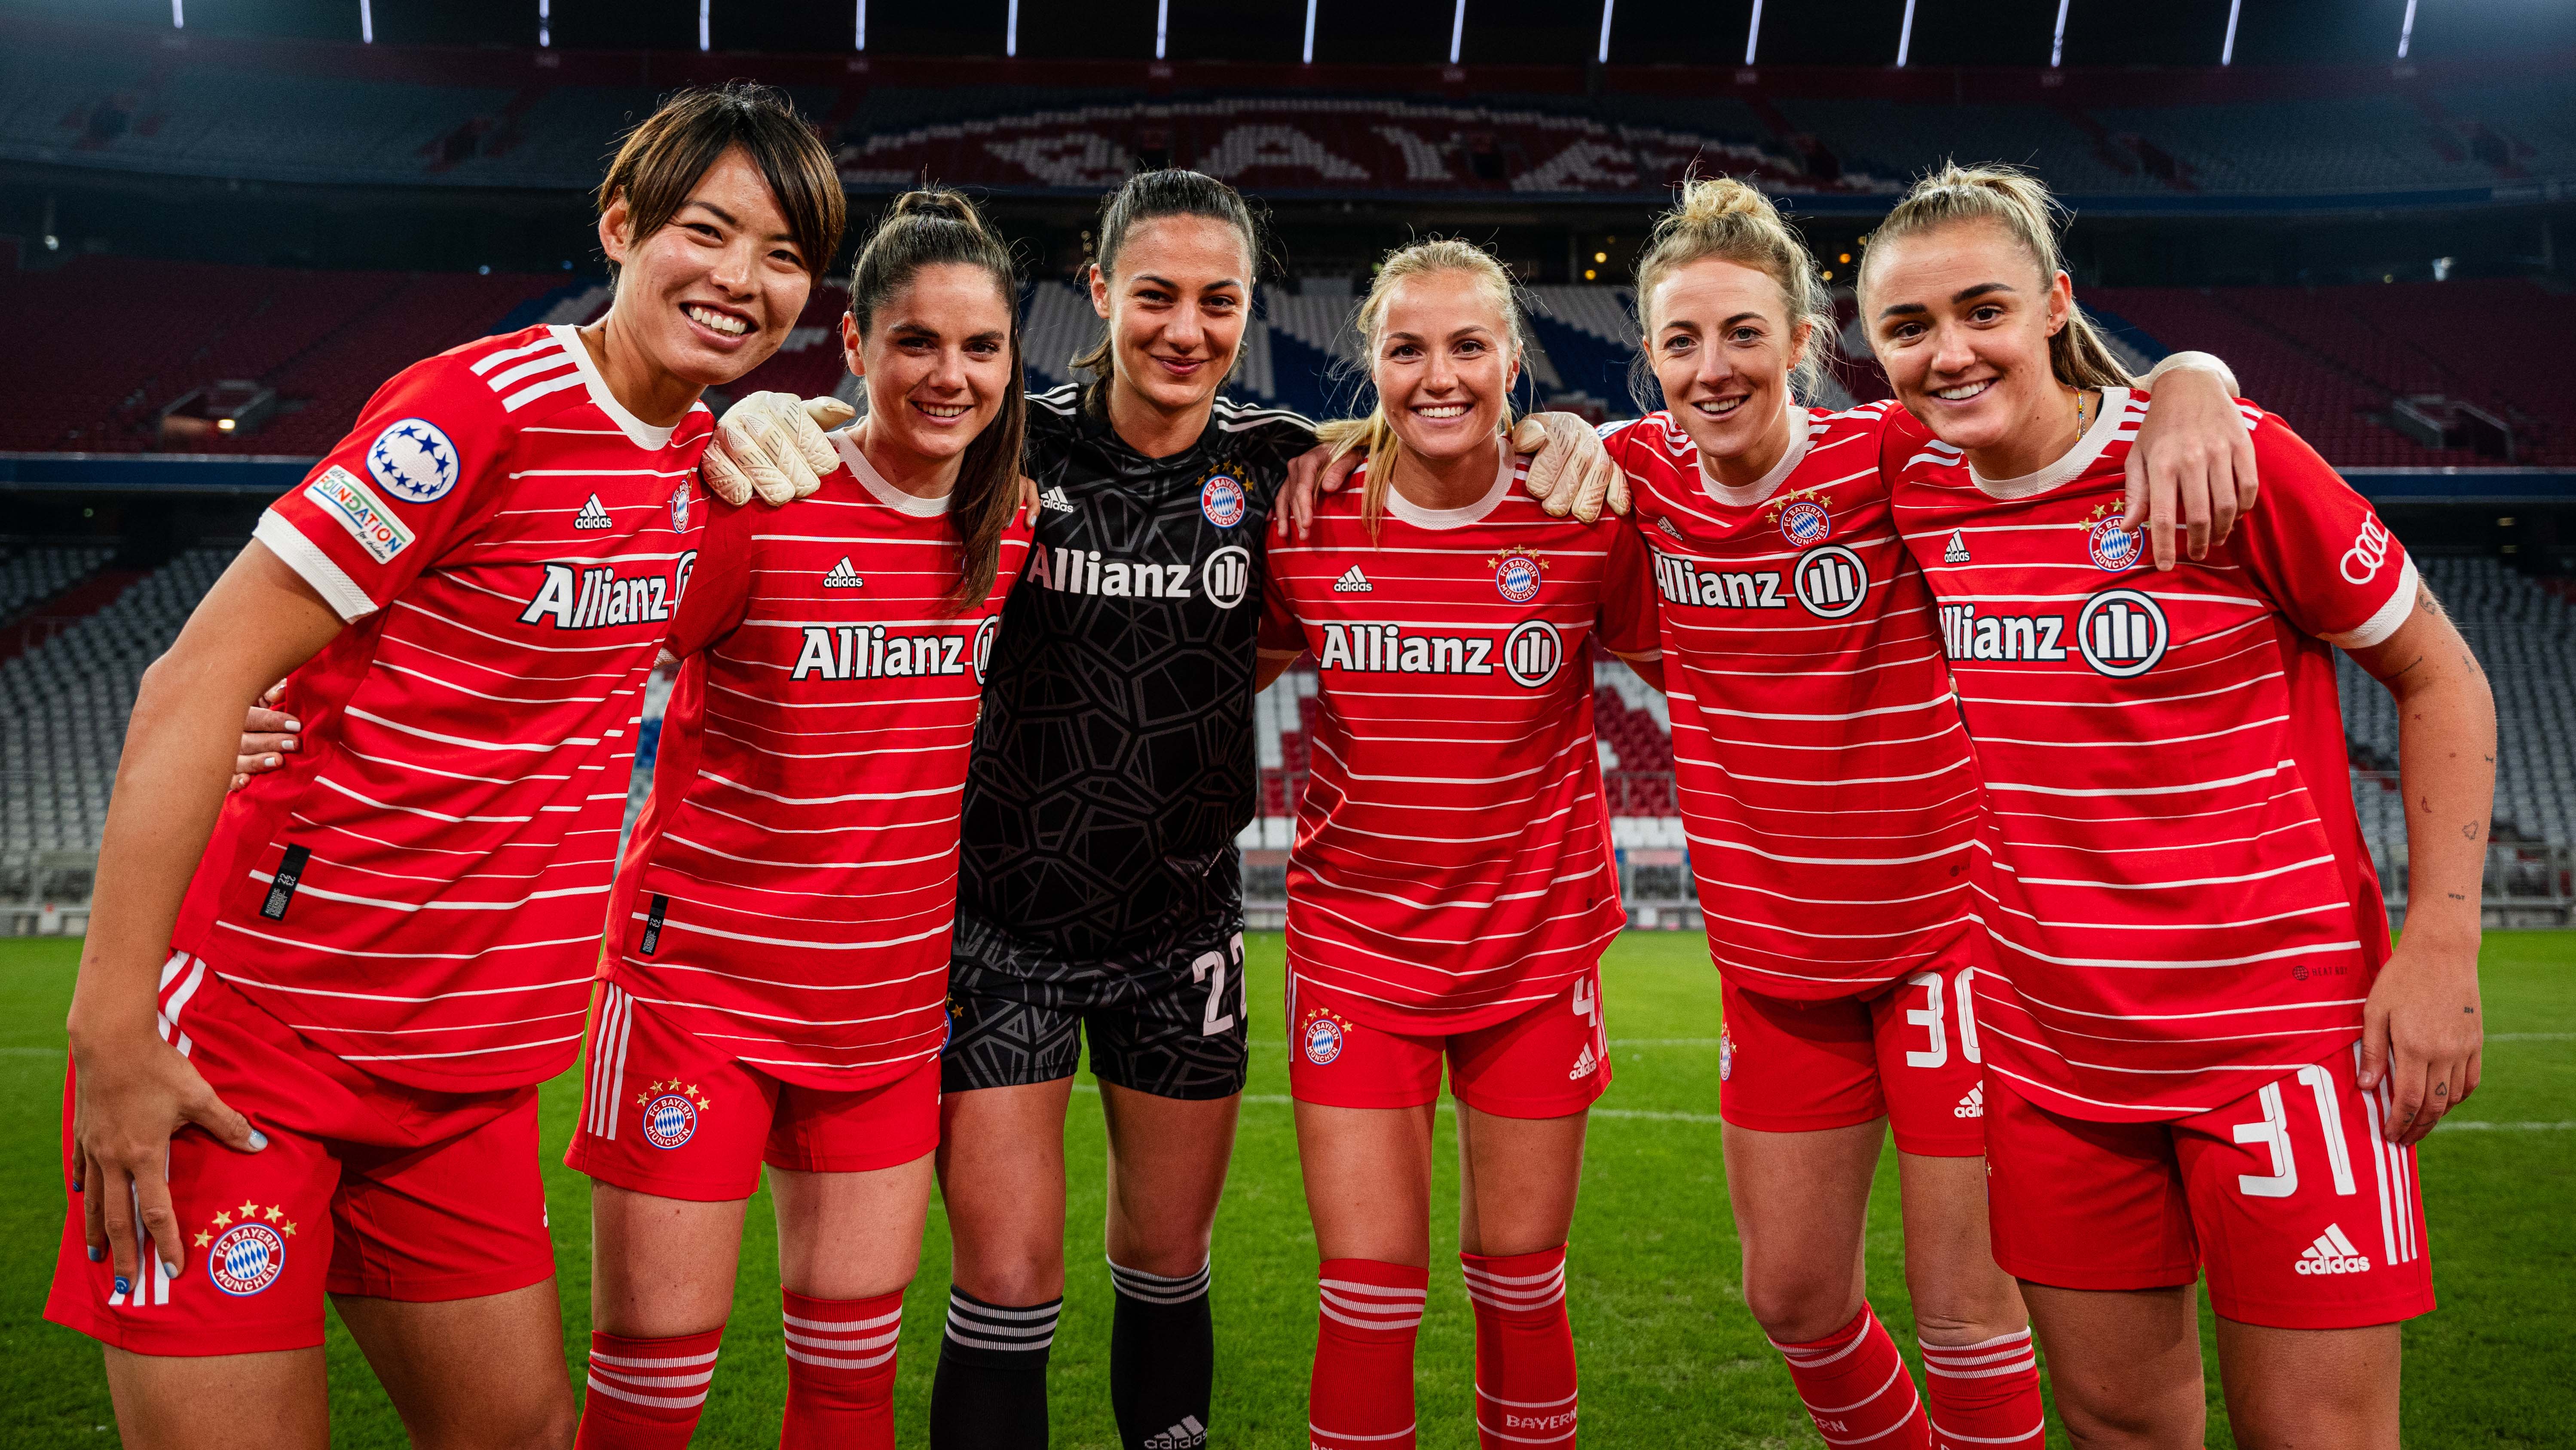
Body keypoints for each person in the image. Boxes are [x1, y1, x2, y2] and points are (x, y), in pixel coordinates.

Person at [51, 82, 842, 1450]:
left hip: (464, 1084)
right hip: (257, 1047)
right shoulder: (473, 410)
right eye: (708, 232)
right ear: (619, 225)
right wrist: (112, 1033)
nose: (740, 279)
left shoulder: (702, 472)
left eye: (783, 256)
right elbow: (193, 680)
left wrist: (809, 435)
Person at [919, 171, 1621, 1450]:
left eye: (1218, 301)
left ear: (1250, 312)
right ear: (1099, 296)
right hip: (1003, 926)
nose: (1185, 328)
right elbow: (881, 440)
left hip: (1183, 929)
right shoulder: (1013, 441)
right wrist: (793, 410)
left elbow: (1437, 461)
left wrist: (1567, 435)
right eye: (1156, 297)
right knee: (1008, 1282)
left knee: (1168, 1264)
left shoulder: (1284, 465)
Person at [1594, 177, 2255, 1450]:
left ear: (1803, 341)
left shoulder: (1893, 454)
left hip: (1944, 943)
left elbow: (2065, 418)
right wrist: (1558, 433)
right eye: (1681, 340)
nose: (1713, 365)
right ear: (1650, 361)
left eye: (1743, 333)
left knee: (1964, 1311)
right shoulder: (1633, 478)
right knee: (1791, 1300)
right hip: (1775, 961)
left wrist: (2195, 373)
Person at [1864, 163, 2491, 1449]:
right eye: (1908, 328)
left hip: (2284, 1052)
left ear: (2054, 306)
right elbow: (1727, 447)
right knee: (2115, 1426)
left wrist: (2442, 942)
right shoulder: (1913, 487)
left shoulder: (2231, 460)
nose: (1949, 353)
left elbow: (2441, 673)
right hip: (2051, 1060)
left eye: (1983, 309)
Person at [560, 188, 1033, 1450]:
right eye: (915, 343)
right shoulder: (760, 497)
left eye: (980, 347)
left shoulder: (1016, 525)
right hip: (696, 1002)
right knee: (649, 1397)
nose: (949, 374)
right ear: (858, 350)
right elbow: (558, 637)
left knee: (847, 1396)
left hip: (884, 1020)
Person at [1254, 237, 1661, 1450]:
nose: (1440, 375)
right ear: (1370, 363)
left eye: (1469, 345)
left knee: (1523, 1278)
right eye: (1407, 348)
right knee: (1367, 1292)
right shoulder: (1309, 518)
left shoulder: (1586, 517)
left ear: (1513, 360)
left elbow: (1715, 654)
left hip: (1533, 958)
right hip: (1355, 955)